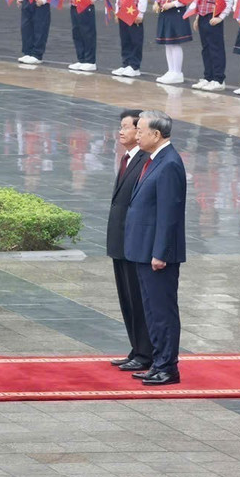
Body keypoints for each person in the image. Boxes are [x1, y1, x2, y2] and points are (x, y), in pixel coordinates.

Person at [125, 110, 186, 386]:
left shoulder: (169, 163)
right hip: (144, 250)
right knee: (152, 310)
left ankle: (167, 367)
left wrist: (160, 252)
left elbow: (168, 214)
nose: (138, 135)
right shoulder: (155, 160)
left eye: (141, 131)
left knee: (162, 311)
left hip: (157, 254)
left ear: (156, 135)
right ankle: (158, 362)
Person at [106, 109, 151, 372]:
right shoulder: (127, 158)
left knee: (138, 298)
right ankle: (136, 348)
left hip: (134, 243)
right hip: (120, 241)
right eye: (120, 126)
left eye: (126, 127)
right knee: (127, 298)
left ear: (140, 130)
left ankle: (146, 353)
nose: (121, 131)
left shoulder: (146, 160)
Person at [187, 0, 234, 91]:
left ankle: (219, 79)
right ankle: (208, 77)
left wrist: (220, 17)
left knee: (216, 49)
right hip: (203, 16)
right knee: (205, 49)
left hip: (214, 18)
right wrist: (197, 17)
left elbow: (229, 1)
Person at [152, 0, 194, 85]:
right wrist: (156, 3)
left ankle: (177, 72)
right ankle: (171, 71)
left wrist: (173, 4)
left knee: (175, 43)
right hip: (164, 12)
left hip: (175, 12)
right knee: (167, 43)